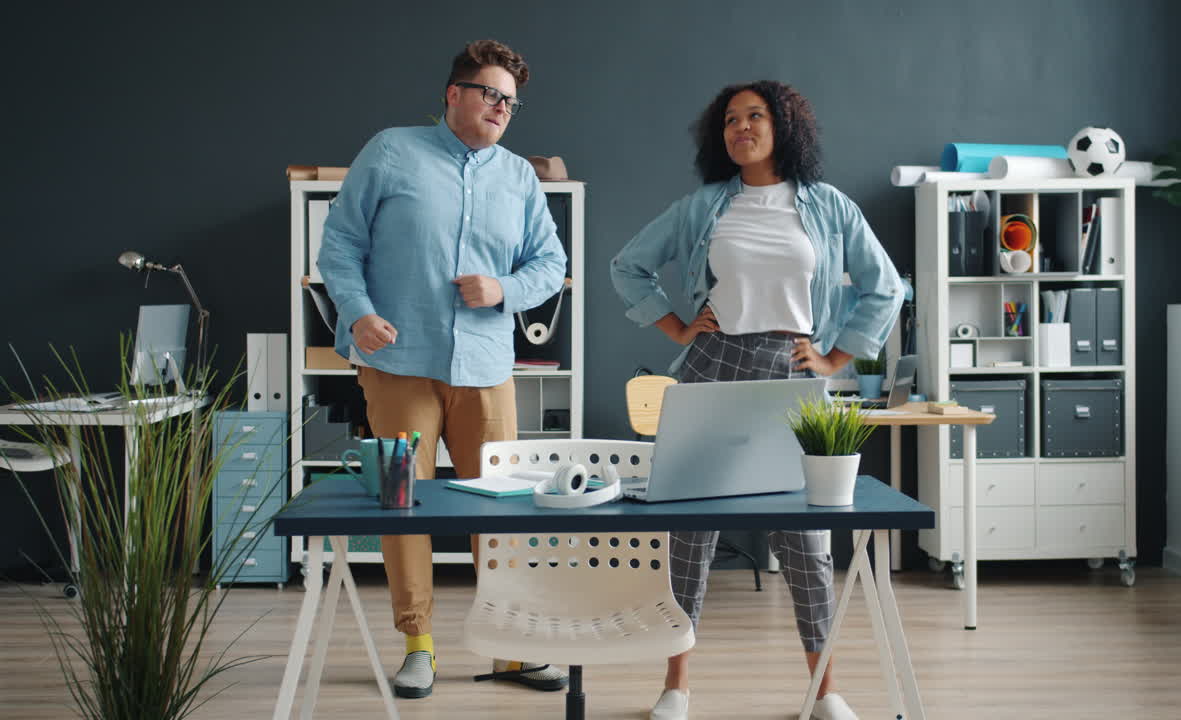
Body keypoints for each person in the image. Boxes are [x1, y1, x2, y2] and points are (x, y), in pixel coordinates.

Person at [610, 81, 904, 720]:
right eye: (730, 120)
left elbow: (886, 288)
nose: (740, 128)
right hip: (713, 365)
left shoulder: (828, 207)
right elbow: (628, 265)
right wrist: (680, 328)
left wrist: (833, 358)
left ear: (785, 125)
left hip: (792, 375)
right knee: (689, 535)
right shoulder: (705, 207)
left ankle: (826, 691)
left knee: (807, 542)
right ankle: (675, 687)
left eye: (755, 116)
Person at [318, 39, 569, 700]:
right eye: (490, 93)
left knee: (505, 508)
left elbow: (549, 264)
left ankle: (511, 649)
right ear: (453, 94)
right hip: (397, 363)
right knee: (402, 508)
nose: (501, 108)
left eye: (510, 101)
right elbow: (340, 240)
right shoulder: (391, 150)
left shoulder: (518, 176)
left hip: (485, 369)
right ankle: (418, 645)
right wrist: (359, 310)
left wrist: (503, 291)